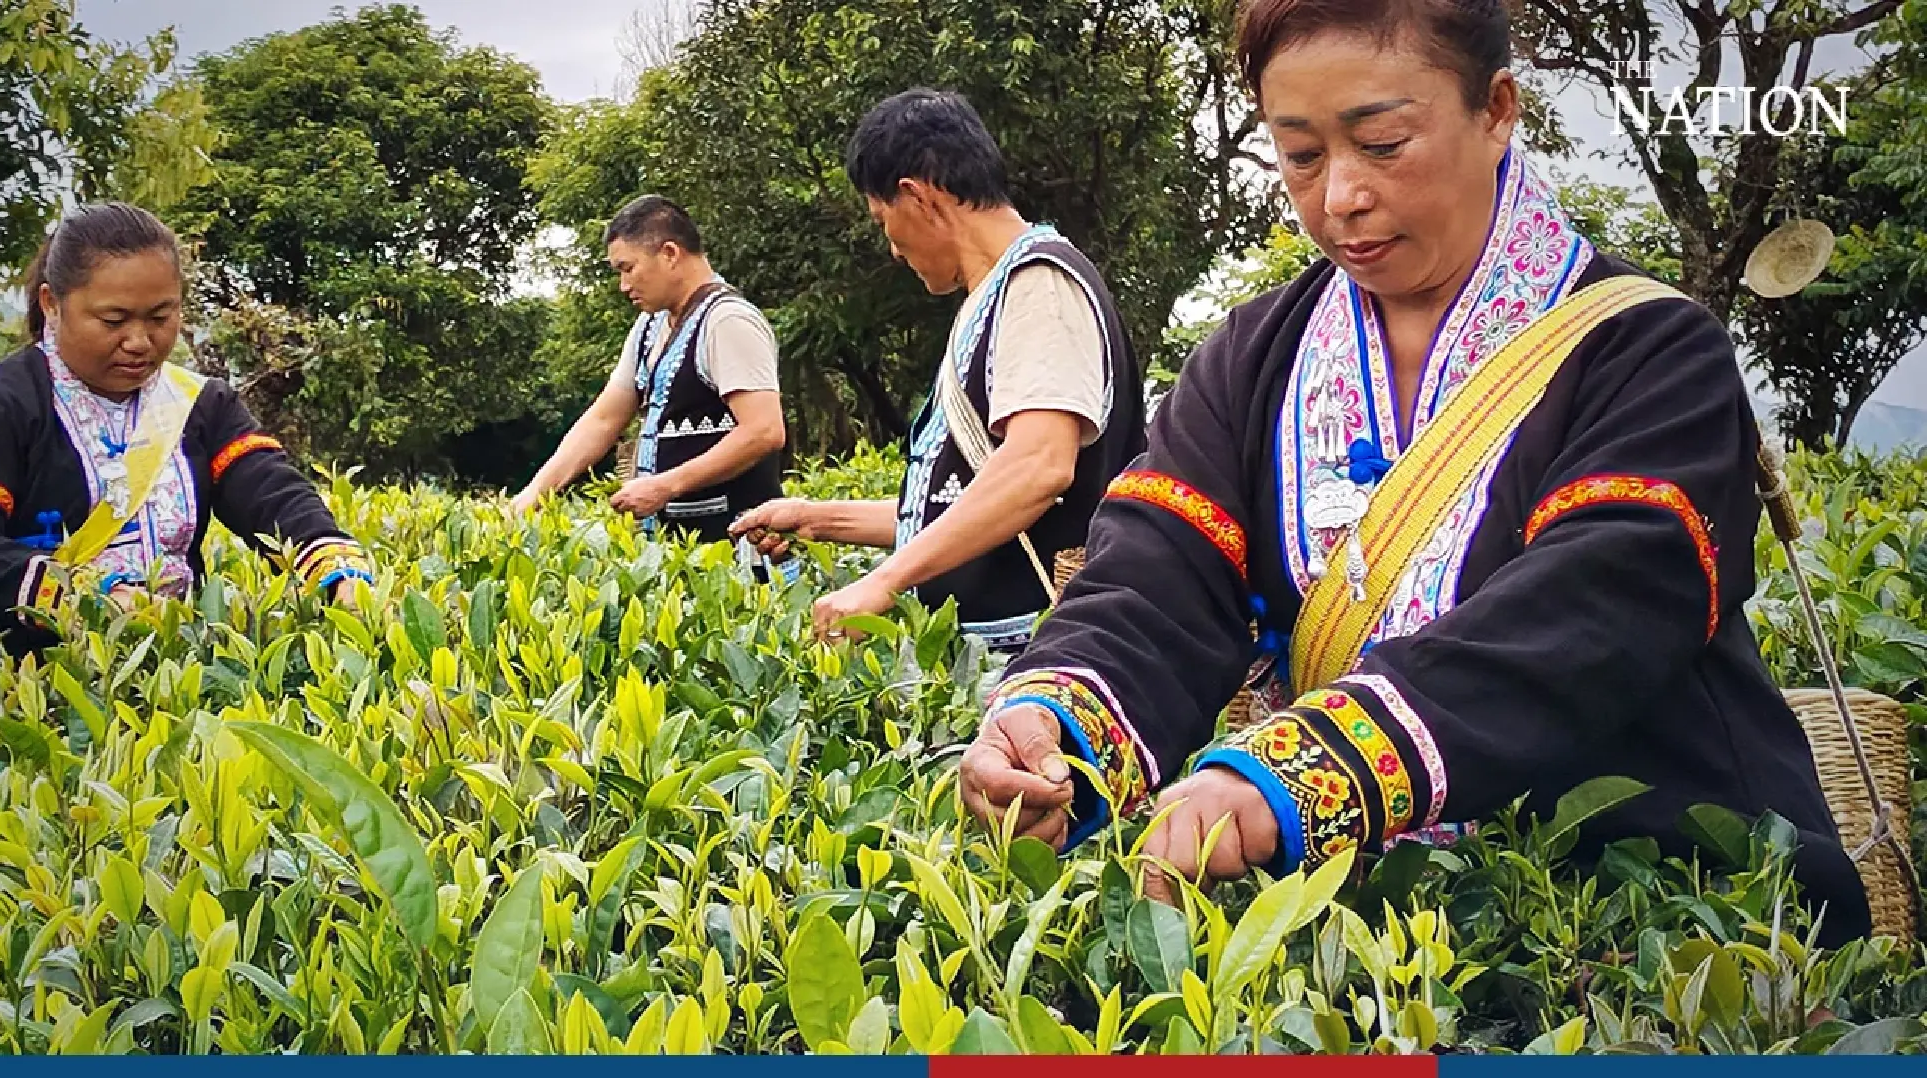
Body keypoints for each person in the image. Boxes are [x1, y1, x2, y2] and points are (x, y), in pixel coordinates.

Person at [955, 0, 1872, 943]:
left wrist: (1304, 776)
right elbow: (1154, 582)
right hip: (1377, 947)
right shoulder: (1250, 359)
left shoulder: (1650, 352)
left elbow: (1593, 612)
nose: (1340, 196)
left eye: (1383, 143)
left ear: (1497, 109)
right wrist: (1053, 721)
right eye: (1301, 155)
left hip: (1661, 935)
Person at [0, 202, 372, 741]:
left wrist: (329, 559)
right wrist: (83, 597)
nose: (139, 341)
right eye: (113, 320)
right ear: (52, 304)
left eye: (161, 317)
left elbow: (268, 489)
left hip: (168, 700)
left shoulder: (198, 405)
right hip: (17, 714)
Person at [731, 90, 1146, 653]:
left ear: (919, 198)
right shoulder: (994, 296)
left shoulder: (1039, 284)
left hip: (1035, 653)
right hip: (990, 651)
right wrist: (813, 519)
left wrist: (883, 581)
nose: (894, 250)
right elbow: (954, 507)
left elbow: (1038, 467)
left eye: (883, 221)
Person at [513, 196, 787, 547]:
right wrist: (535, 493)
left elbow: (764, 431)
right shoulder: (650, 327)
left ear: (670, 253)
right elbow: (604, 419)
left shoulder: (727, 321)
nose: (623, 286)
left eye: (628, 268)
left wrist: (664, 486)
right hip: (676, 550)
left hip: (737, 548)